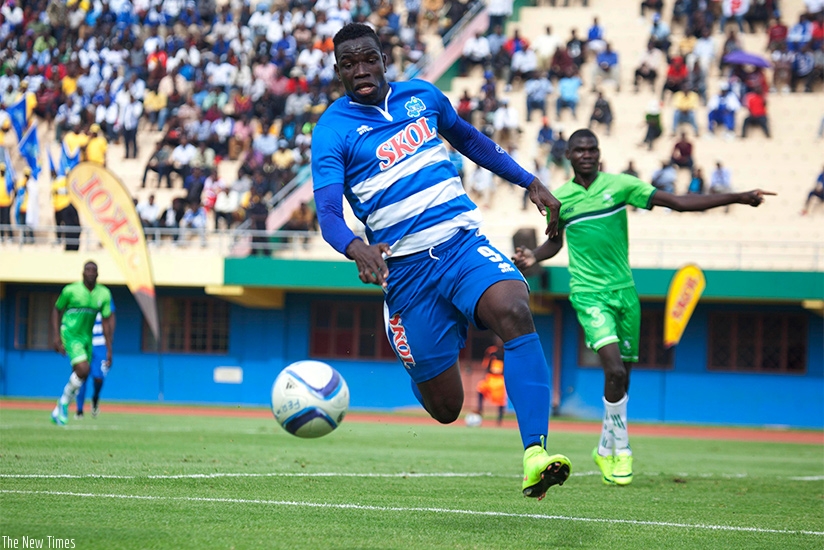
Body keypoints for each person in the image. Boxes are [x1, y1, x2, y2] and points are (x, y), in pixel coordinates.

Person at [312, 23, 569, 500]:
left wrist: (528, 180)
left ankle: (535, 452)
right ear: (338, 71)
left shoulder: (423, 97)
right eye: (349, 64)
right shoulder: (332, 130)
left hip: (460, 243)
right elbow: (328, 214)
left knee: (513, 309)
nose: (361, 70)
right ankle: (417, 354)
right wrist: (356, 247)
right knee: (447, 407)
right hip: (406, 274)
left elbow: (471, 141)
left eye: (369, 58)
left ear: (384, 58)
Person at [512, 129, 773, 486]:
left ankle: (605, 449)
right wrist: (533, 256)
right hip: (589, 294)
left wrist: (740, 197)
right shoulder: (562, 199)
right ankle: (623, 449)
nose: (587, 154)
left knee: (622, 380)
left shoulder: (621, 186)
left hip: (625, 294)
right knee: (615, 371)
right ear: (569, 156)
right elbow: (553, 244)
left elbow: (677, 202)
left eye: (592, 149)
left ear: (599, 154)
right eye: (580, 150)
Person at [50, 261, 114, 426]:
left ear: (98, 274)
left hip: (87, 337)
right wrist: (56, 337)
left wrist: (109, 348)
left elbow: (106, 322)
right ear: (82, 273)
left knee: (82, 374)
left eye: (94, 270)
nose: (91, 273)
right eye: (88, 270)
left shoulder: (103, 294)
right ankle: (64, 404)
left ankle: (59, 408)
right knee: (83, 369)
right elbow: (57, 309)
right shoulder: (71, 290)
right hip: (70, 334)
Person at [76, 300, 116, 418]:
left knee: (99, 378)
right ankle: (79, 410)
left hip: (100, 344)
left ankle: (95, 398)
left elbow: (111, 317)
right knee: (81, 376)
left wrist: (109, 339)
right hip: (83, 343)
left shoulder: (104, 295)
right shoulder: (79, 296)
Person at [474, 338, 507, 424]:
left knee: (500, 399)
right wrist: (485, 376)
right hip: (491, 377)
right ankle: (480, 409)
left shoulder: (506, 352)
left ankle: (499, 418)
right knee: (480, 388)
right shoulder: (491, 351)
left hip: (500, 378)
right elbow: (486, 364)